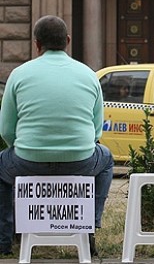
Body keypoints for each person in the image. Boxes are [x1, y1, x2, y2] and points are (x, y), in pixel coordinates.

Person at [0, 15, 114, 257]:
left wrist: (24, 150)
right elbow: (95, 132)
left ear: (37, 44)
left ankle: (5, 239)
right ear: (68, 41)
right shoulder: (89, 75)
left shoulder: (19, 74)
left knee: (1, 166)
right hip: (80, 162)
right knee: (106, 158)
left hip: (27, 162)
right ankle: (89, 227)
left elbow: (6, 130)